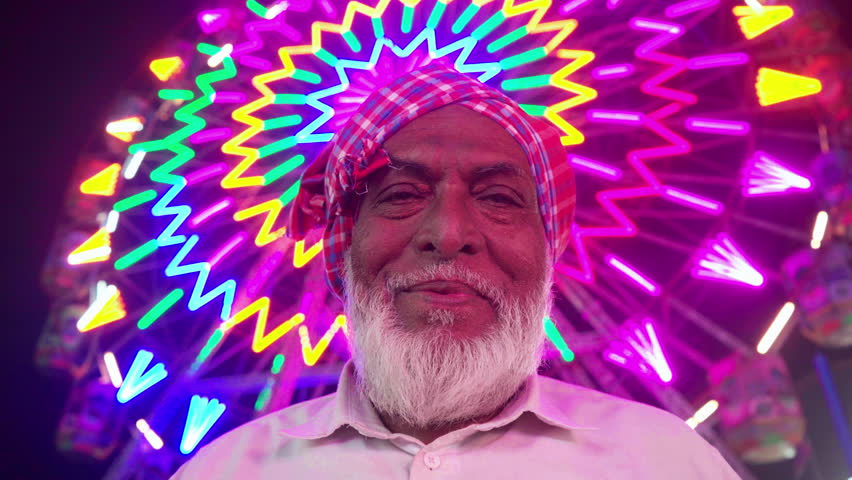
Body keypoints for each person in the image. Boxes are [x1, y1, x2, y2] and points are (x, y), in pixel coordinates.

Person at [171, 64, 742, 479]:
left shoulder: (669, 463)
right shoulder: (223, 471)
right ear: (344, 247)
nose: (447, 234)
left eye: (498, 198)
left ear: (548, 253)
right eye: (401, 195)